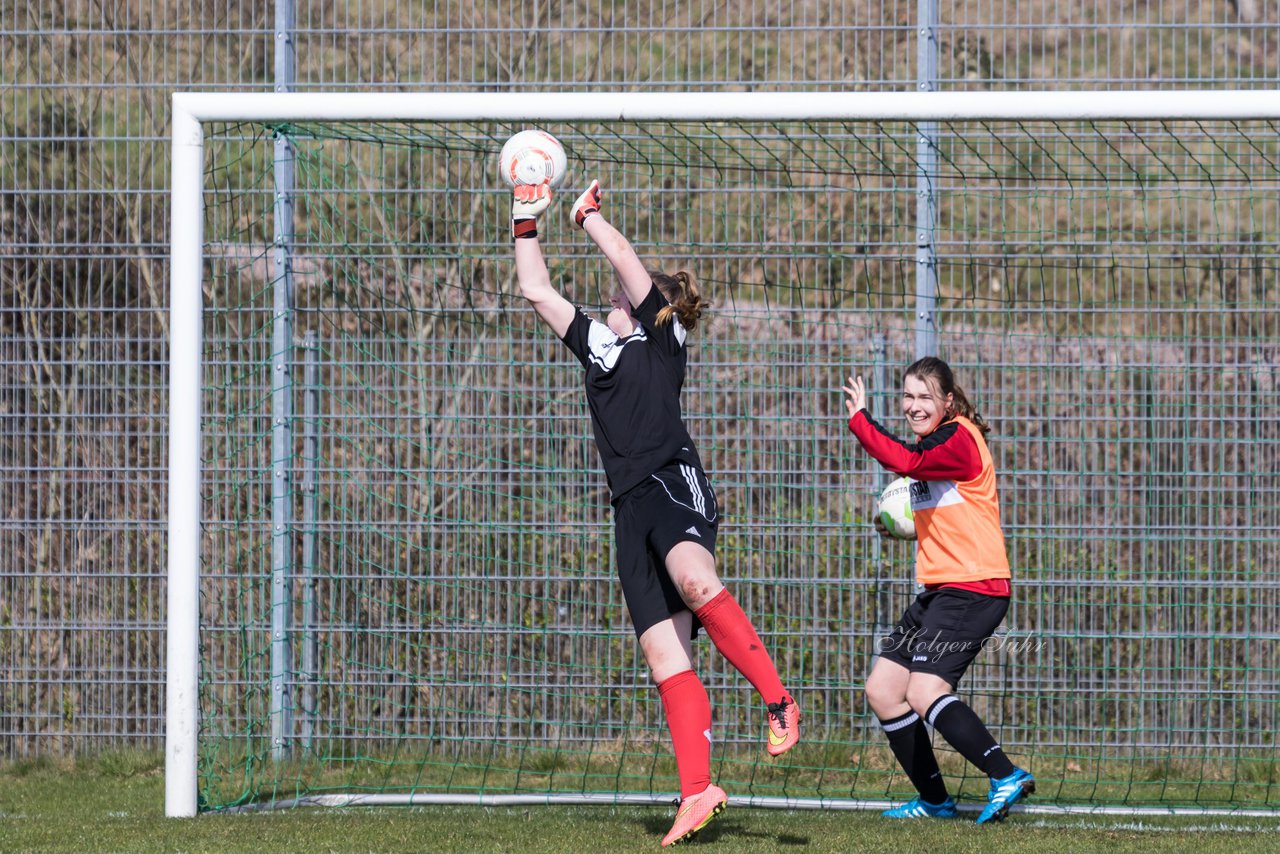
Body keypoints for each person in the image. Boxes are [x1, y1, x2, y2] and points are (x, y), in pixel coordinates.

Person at [511, 178, 800, 847]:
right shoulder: (600, 348)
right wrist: (526, 216)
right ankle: (697, 792)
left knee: (698, 584)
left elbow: (627, 266)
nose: (614, 297)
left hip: (672, 486)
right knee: (667, 660)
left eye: (626, 295)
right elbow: (535, 290)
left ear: (654, 311)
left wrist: (586, 216)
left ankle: (779, 701)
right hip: (627, 511)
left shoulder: (663, 344)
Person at [842, 358, 1033, 824]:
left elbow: (906, 461)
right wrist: (901, 526)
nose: (914, 406)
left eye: (925, 396)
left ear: (948, 401)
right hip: (941, 589)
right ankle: (935, 802)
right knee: (885, 690)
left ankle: (1005, 775)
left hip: (974, 587)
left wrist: (861, 421)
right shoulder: (938, 446)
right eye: (907, 396)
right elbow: (936, 496)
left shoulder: (959, 438)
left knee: (926, 690)